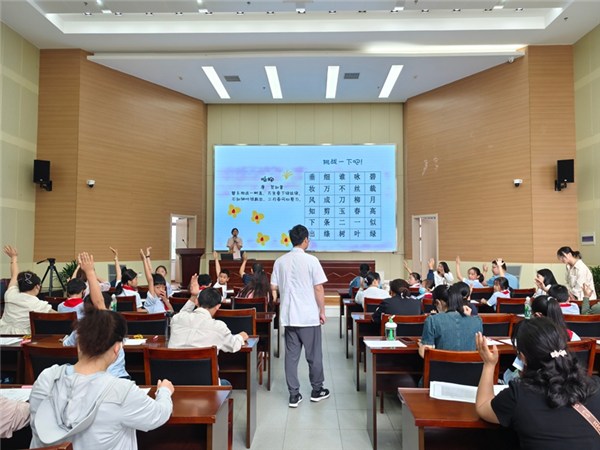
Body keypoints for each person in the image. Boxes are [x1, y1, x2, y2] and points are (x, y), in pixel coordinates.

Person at [29, 304, 174, 448]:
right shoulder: (121, 392)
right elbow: (159, 414)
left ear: (78, 344)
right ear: (117, 349)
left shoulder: (46, 379)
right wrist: (164, 391)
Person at [475, 318, 600, 449]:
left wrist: (489, 364)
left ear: (523, 357)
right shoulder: (596, 386)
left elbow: (483, 407)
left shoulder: (518, 395)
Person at [270, 224, 330, 408]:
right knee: (314, 356)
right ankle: (317, 390)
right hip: (308, 316)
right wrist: (322, 310)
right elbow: (318, 288)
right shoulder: (312, 261)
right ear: (305, 240)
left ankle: (294, 395)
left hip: (289, 316)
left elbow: (273, 286)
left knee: (291, 357)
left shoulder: (280, 261)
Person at [63, 253, 130, 379]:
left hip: (85, 378)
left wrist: (88, 272)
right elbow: (100, 304)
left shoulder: (79, 329)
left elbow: (66, 344)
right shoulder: (112, 326)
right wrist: (90, 272)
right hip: (116, 378)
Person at [168, 279, 248, 353]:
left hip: (172, 364)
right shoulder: (219, 327)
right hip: (200, 364)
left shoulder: (177, 319)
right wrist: (240, 337)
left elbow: (182, 314)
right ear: (218, 306)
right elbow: (233, 345)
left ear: (196, 302)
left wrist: (193, 296)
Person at [0, 245, 54, 335]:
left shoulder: (10, 294)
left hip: (2, 334)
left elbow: (14, 275)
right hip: (21, 338)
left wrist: (14, 257)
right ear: (37, 286)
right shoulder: (37, 304)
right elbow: (60, 316)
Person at [418, 283, 482, 357]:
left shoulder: (432, 320)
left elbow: (424, 354)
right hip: (469, 364)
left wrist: (421, 346)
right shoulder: (477, 321)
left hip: (442, 363)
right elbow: (479, 349)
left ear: (438, 302)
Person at [139, 247, 173, 314]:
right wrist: (144, 259)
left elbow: (171, 311)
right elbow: (150, 279)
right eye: (158, 287)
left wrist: (165, 300)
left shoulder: (162, 300)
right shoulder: (152, 298)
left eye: (163, 287)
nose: (161, 290)